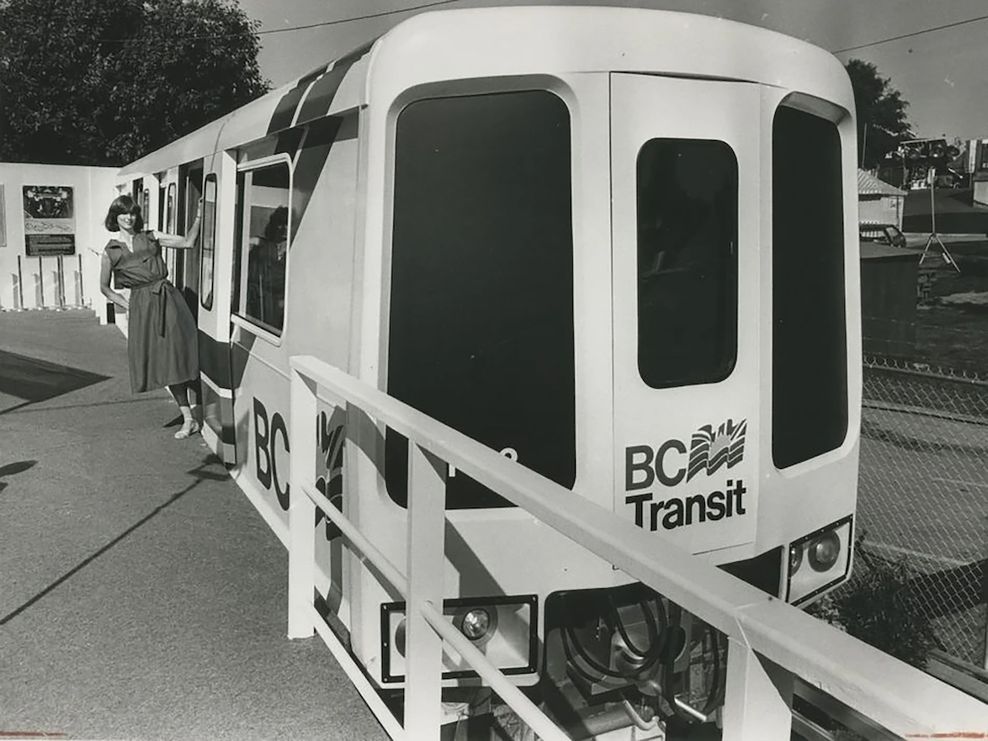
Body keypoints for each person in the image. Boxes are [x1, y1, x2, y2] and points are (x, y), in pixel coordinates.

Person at [100, 194, 202, 439]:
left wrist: (199, 215)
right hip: (142, 308)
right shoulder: (110, 251)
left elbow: (188, 242)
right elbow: (104, 287)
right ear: (115, 217)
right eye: (123, 213)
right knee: (162, 363)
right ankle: (188, 418)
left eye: (132, 213)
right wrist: (128, 304)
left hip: (168, 299)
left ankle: (199, 410)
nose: (129, 217)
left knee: (179, 353)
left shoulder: (152, 236)